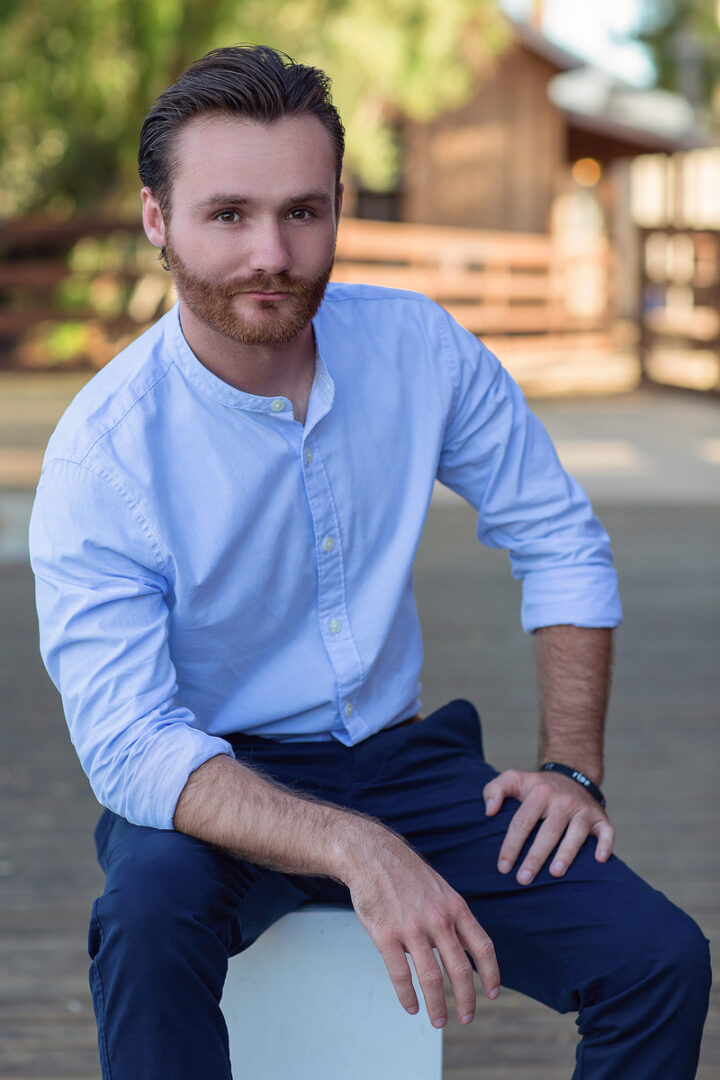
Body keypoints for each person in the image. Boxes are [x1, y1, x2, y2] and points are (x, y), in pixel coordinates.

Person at [30, 45, 709, 1080]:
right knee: (142, 922)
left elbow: (559, 539)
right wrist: (358, 848)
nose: (273, 251)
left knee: (660, 962)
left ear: (338, 207)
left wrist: (573, 767)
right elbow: (131, 747)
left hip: (401, 762)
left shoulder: (418, 351)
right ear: (157, 221)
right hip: (215, 775)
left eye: (304, 211)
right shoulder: (103, 451)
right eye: (228, 215)